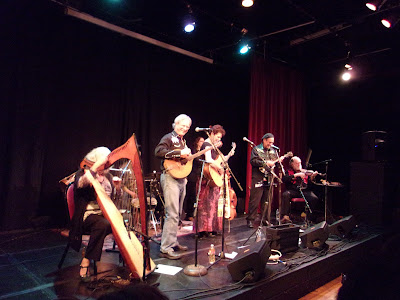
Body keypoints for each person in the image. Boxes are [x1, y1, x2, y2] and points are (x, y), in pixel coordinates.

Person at [68, 146, 120, 280]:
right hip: (86, 216)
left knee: (117, 222)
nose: (106, 164)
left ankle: (129, 260)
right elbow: (80, 184)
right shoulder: (83, 173)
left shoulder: (108, 176)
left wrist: (118, 189)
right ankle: (86, 260)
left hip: (102, 215)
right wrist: (95, 167)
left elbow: (110, 199)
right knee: (103, 224)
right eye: (104, 161)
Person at [154, 114, 192, 259]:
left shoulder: (183, 141)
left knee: (178, 213)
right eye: (183, 125)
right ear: (175, 124)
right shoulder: (168, 137)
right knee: (172, 213)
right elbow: (158, 152)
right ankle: (166, 247)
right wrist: (179, 152)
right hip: (170, 177)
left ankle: (173, 241)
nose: (185, 128)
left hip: (181, 178)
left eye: (187, 127)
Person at [195, 125, 235, 237]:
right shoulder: (206, 144)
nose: (219, 139)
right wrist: (218, 167)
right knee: (204, 205)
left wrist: (227, 158)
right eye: (217, 137)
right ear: (211, 133)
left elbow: (219, 161)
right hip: (206, 177)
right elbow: (208, 160)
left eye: (220, 138)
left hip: (213, 177)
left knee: (214, 204)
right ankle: (203, 230)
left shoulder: (213, 146)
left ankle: (212, 228)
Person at [246, 133, 284, 228]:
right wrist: (265, 163)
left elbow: (275, 163)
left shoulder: (273, 151)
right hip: (258, 177)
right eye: (269, 142)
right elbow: (253, 161)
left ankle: (265, 220)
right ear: (264, 140)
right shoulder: (256, 149)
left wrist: (279, 162)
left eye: (272, 143)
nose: (270, 144)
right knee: (255, 200)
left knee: (267, 200)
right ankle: (251, 220)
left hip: (269, 177)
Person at [282, 156, 319, 223]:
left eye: (300, 163)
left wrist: (312, 177)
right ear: (292, 164)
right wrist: (296, 175)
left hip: (304, 191)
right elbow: (285, 179)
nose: (299, 165)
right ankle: (285, 216)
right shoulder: (289, 171)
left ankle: (309, 217)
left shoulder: (305, 172)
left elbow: (310, 184)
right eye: (297, 163)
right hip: (293, 191)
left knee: (314, 198)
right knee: (285, 194)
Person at [183, 136, 205, 221]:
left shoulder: (202, 153)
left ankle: (196, 214)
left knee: (197, 196)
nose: (202, 143)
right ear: (197, 142)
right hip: (192, 175)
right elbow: (196, 161)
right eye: (201, 141)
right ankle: (189, 214)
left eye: (203, 141)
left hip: (200, 175)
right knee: (191, 195)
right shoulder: (193, 151)